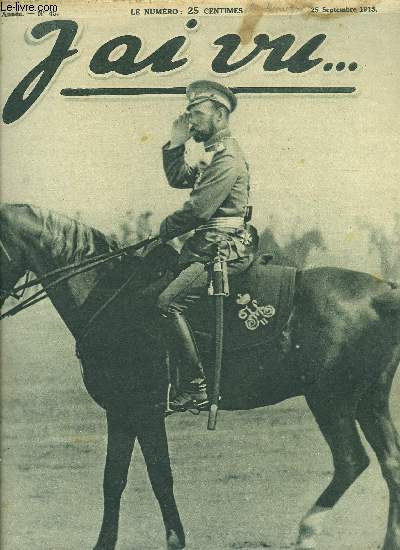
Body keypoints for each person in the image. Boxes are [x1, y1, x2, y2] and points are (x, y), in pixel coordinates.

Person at [157, 80, 257, 411]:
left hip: (223, 248)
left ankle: (196, 387)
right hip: (207, 246)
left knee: (168, 304)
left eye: (196, 114)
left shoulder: (227, 158)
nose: (191, 121)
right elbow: (178, 178)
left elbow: (198, 209)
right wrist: (176, 142)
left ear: (219, 115)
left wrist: (166, 227)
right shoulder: (213, 157)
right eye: (189, 114)